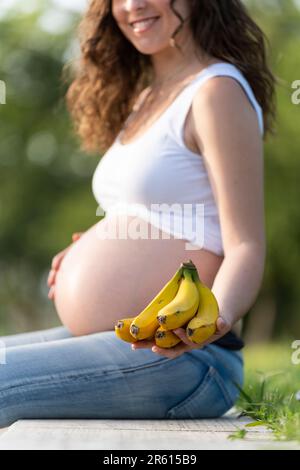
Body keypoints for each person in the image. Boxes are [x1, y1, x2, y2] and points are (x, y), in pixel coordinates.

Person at [0, 0, 277, 427]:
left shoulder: (216, 92)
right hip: (117, 338)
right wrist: (89, 249)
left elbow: (245, 245)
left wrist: (211, 321)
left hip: (184, 358)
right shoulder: (147, 97)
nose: (133, 5)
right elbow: (160, 214)